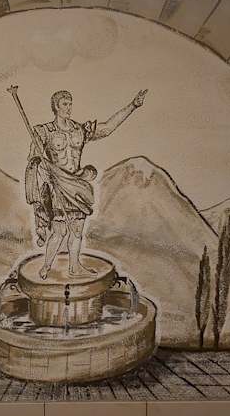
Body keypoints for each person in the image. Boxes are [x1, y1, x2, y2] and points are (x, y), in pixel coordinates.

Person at [25, 87, 148, 279]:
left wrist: (133, 105)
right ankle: (46, 266)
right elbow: (34, 162)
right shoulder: (45, 132)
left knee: (77, 231)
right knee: (59, 231)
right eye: (65, 104)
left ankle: (74, 268)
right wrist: (44, 171)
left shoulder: (79, 130)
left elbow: (107, 128)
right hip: (58, 186)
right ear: (56, 106)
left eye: (70, 103)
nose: (69, 107)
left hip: (77, 185)